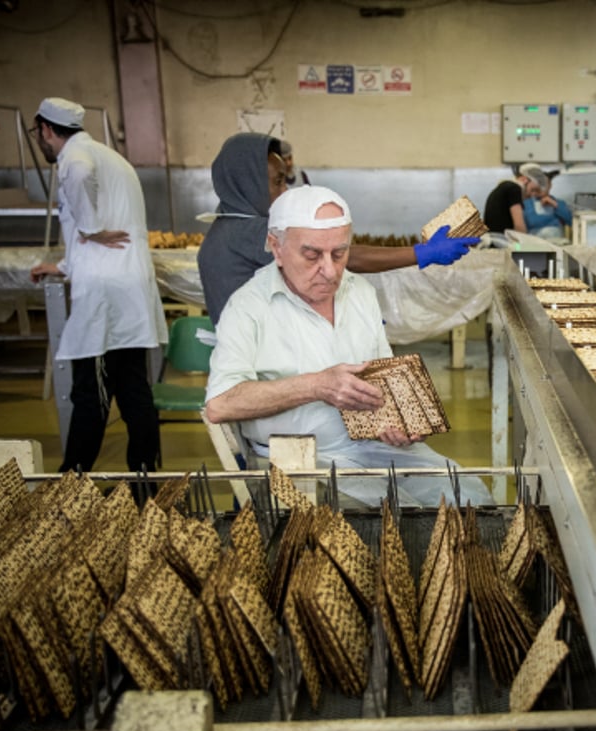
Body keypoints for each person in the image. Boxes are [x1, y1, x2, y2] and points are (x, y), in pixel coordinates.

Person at [204, 186, 492, 507]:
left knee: (471, 498)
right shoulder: (248, 307)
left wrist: (398, 421)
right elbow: (220, 405)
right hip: (299, 460)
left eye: (339, 254)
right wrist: (316, 385)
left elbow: (381, 382)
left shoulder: (360, 293)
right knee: (390, 521)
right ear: (276, 247)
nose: (329, 271)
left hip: (372, 447)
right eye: (312, 255)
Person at [198, 133, 477, 324]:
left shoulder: (229, 227)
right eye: (278, 182)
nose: (285, 192)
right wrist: (421, 253)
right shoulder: (246, 232)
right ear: (248, 182)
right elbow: (344, 256)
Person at [27, 97, 167, 474]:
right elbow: (81, 236)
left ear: (45, 129)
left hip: (106, 295)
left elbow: (81, 186)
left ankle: (74, 478)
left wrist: (92, 228)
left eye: (37, 133)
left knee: (91, 393)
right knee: (134, 391)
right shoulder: (112, 157)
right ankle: (146, 480)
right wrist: (61, 266)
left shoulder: (73, 157)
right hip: (126, 287)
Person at [483, 162, 548, 233]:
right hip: (500, 241)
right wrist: (523, 242)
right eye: (533, 190)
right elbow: (519, 226)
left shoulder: (505, 187)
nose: (532, 195)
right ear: (524, 180)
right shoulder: (514, 189)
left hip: (495, 238)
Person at [522, 171, 573, 239]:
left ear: (550, 185)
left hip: (557, 245)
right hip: (533, 245)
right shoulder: (526, 204)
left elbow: (572, 222)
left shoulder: (559, 203)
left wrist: (555, 205)